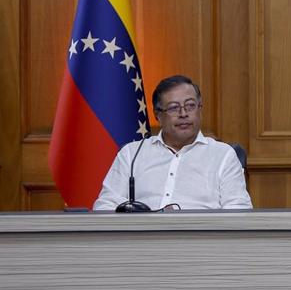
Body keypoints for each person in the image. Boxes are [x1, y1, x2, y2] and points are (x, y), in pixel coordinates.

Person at [92, 75, 252, 211]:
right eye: (174, 108)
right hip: (141, 242)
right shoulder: (132, 154)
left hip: (200, 242)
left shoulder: (222, 155)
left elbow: (239, 210)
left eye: (190, 106)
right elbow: (105, 206)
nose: (184, 114)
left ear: (200, 108)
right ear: (157, 115)